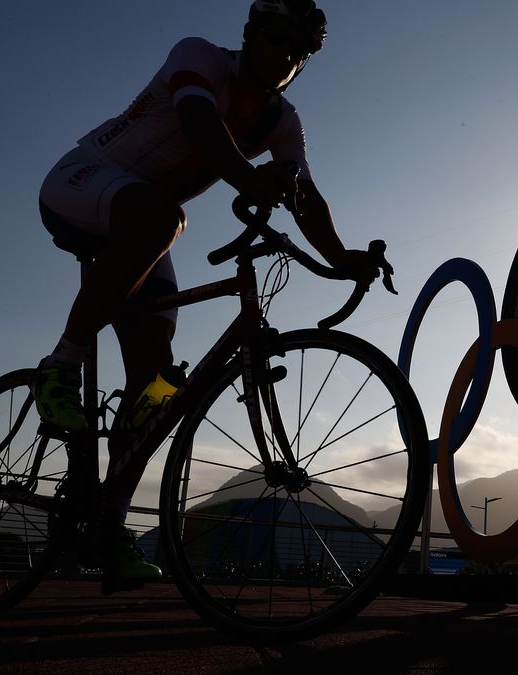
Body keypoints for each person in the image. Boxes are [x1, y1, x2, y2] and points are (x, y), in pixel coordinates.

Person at [32, 0, 375, 591]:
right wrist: (252, 179)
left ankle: (106, 524)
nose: (286, 59)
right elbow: (201, 128)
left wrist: (342, 259)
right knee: (164, 221)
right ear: (250, 34)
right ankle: (59, 368)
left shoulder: (283, 120)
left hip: (141, 217)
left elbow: (305, 196)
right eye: (278, 41)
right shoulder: (200, 57)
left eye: (300, 53)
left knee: (156, 378)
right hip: (83, 182)